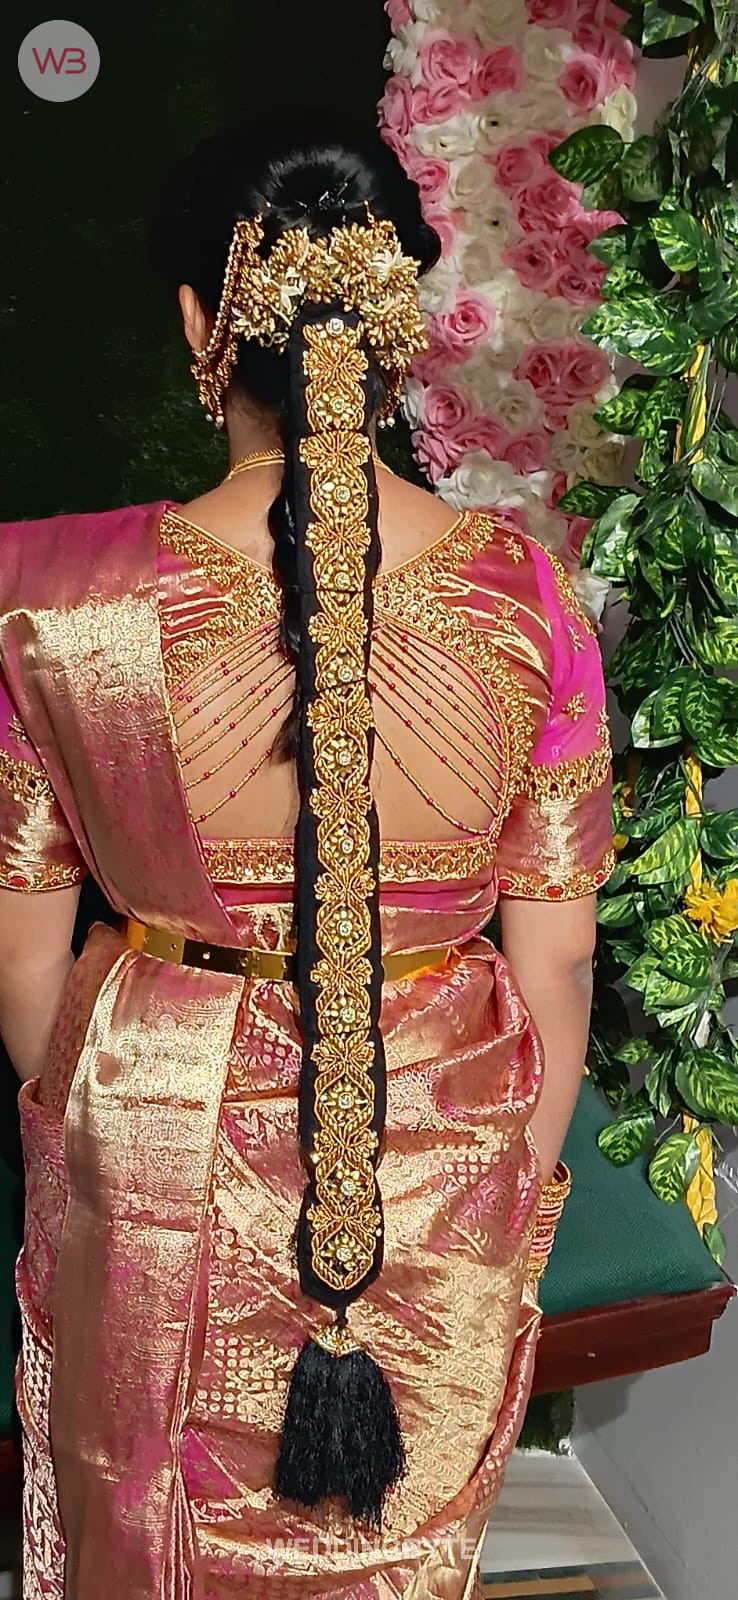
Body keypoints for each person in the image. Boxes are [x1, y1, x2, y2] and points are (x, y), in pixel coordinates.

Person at [0, 111, 614, 1600]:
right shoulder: (532, 599)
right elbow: (555, 959)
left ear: (197, 321)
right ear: (398, 321)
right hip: (443, 1139)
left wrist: (101, 1138)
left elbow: (25, 959)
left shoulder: (46, 597)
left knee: (139, 1535)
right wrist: (501, 1200)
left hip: (156, 1129)